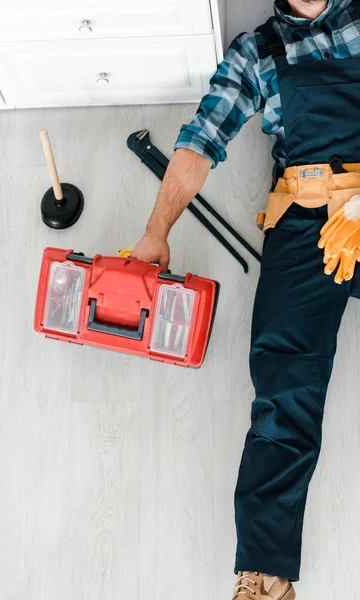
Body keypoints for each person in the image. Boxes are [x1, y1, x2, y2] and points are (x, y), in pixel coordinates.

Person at [131, 0, 360, 598]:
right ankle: (265, 570)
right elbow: (199, 141)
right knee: (283, 386)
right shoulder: (257, 52)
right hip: (306, 220)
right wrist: (157, 231)